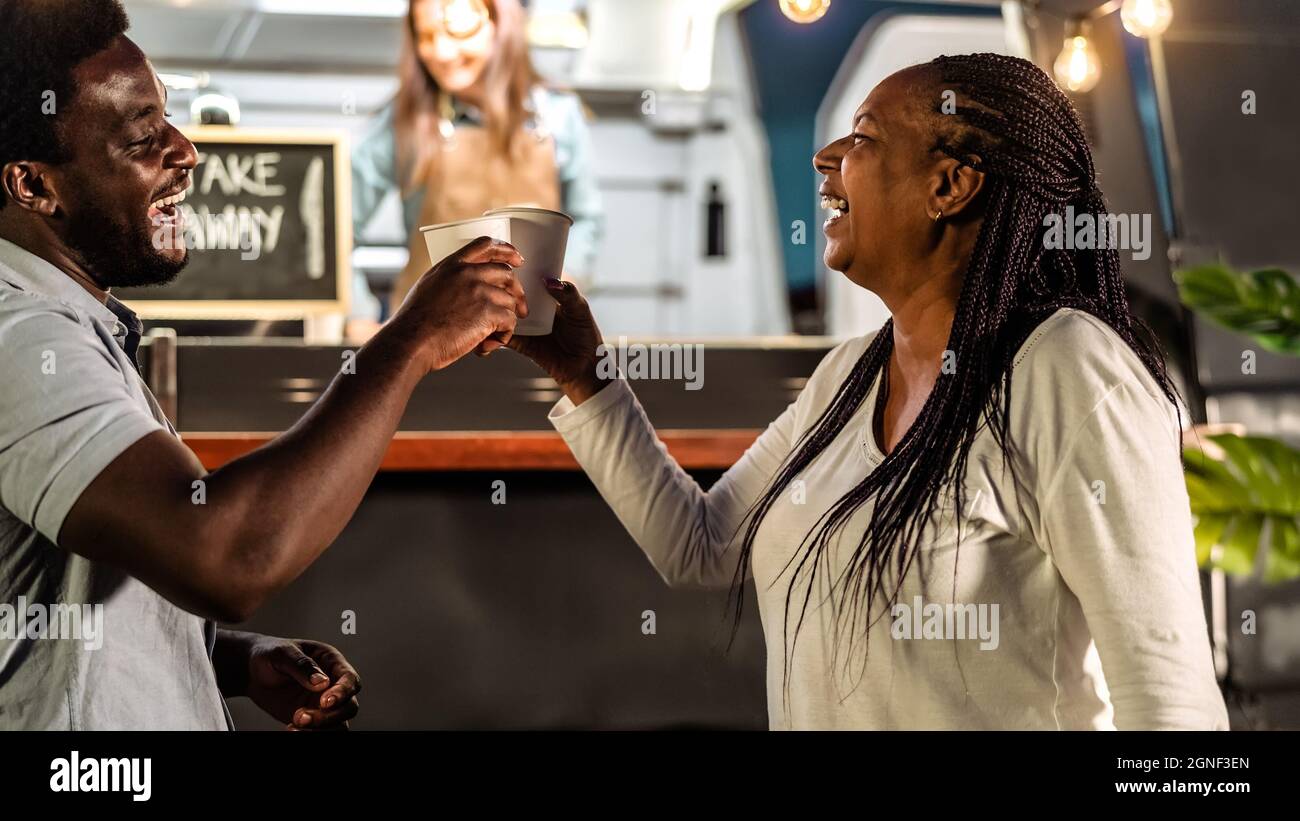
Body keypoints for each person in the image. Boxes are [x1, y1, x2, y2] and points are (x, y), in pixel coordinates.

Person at [510, 53, 1230, 729]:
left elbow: (1171, 706)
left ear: (949, 185)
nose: (826, 161)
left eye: (863, 138)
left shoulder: (1067, 372)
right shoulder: (845, 378)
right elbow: (699, 545)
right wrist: (585, 373)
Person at [0, 0, 526, 730]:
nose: (185, 151)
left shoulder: (63, 323)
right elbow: (223, 554)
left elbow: (53, 595)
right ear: (33, 186)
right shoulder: (21, 338)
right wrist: (408, 343)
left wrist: (230, 657)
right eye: (144, 138)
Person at [349, 0, 603, 331]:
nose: (440, 51)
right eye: (425, 35)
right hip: (426, 340)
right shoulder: (403, 121)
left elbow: (587, 221)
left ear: (503, 21)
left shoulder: (559, 116)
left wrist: (566, 279)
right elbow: (331, 228)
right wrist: (358, 316)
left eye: (458, 30)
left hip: (534, 340)